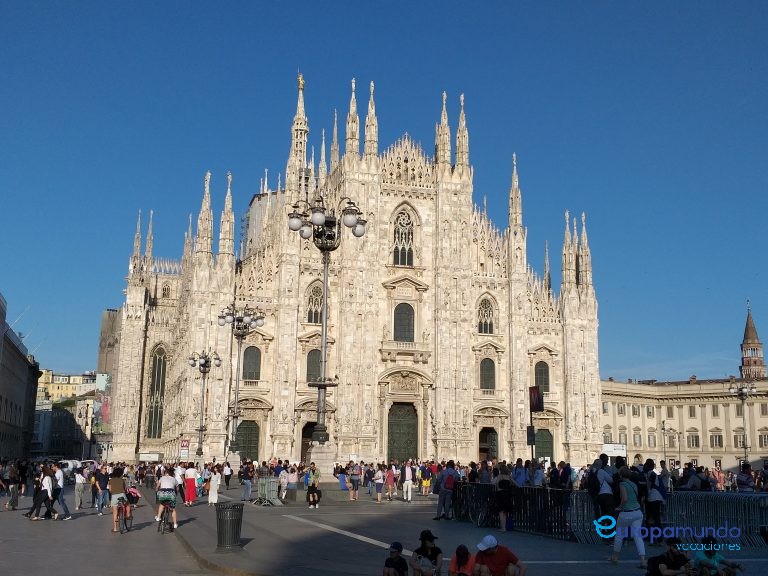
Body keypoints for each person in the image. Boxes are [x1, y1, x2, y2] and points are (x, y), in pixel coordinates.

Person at [609, 466, 646, 569]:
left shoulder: (622, 484)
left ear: (621, 475)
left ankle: (615, 557)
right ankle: (643, 560)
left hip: (626, 512)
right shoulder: (634, 484)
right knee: (638, 536)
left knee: (619, 535)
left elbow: (625, 499)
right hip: (637, 512)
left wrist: (619, 507)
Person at [107, 467, 131, 533]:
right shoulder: (122, 480)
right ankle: (128, 515)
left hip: (114, 496)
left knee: (115, 512)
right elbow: (125, 489)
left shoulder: (110, 480)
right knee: (128, 504)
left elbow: (110, 490)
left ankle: (115, 528)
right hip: (122, 495)